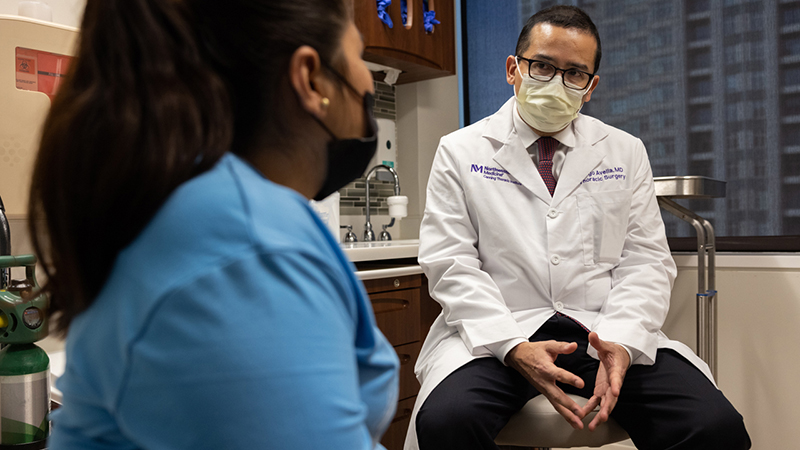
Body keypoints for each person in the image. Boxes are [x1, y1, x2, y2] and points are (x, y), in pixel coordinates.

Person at [28, 0, 399, 448]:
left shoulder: (223, 212)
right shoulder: (243, 250)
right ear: (311, 79)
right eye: (357, 55)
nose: (366, 80)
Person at [405, 6, 750, 450]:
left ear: (590, 87)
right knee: (448, 422)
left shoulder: (624, 151)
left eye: (574, 73)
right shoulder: (460, 150)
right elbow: (451, 263)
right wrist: (511, 346)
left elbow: (645, 262)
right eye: (543, 66)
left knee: (712, 425)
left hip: (601, 331)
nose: (556, 82)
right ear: (514, 69)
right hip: (502, 334)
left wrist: (622, 344)